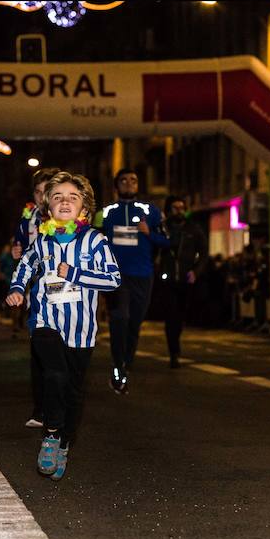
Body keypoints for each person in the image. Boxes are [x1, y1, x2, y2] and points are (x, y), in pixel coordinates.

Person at [6, 171, 120, 481]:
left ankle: (65, 443)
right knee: (54, 373)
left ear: (84, 207)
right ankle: (52, 434)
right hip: (46, 320)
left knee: (73, 391)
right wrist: (17, 289)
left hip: (81, 329)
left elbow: (113, 280)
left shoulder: (95, 240)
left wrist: (76, 274)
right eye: (58, 197)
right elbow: (25, 266)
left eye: (73, 197)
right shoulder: (42, 240)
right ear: (48, 207)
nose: (65, 202)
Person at [99, 168, 169, 394]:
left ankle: (126, 361)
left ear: (139, 185)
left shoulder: (151, 211)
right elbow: (93, 242)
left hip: (143, 275)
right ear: (116, 185)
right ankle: (118, 366)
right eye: (124, 180)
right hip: (116, 276)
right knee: (120, 318)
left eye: (133, 180)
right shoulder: (105, 213)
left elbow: (167, 241)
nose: (129, 183)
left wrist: (149, 233)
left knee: (134, 322)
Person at [13, 167, 60, 427]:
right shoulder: (28, 219)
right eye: (38, 192)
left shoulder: (69, 217)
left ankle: (61, 404)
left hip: (66, 295)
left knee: (64, 354)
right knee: (39, 352)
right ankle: (40, 409)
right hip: (37, 295)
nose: (42, 198)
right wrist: (16, 250)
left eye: (47, 192)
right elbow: (19, 244)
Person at [159, 195, 209, 368]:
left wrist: (196, 271)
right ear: (169, 210)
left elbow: (204, 253)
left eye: (182, 208)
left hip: (185, 280)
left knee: (180, 316)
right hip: (168, 280)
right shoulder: (163, 228)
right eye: (175, 208)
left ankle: (176, 344)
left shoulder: (193, 229)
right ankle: (174, 352)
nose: (179, 211)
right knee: (170, 316)